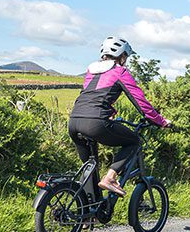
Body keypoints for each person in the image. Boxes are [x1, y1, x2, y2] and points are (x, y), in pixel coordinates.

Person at [68, 37, 171, 196]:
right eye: (126, 57)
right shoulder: (120, 72)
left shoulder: (91, 72)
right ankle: (110, 178)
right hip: (95, 123)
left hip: (74, 121)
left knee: (90, 167)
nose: (126, 60)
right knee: (134, 141)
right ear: (121, 56)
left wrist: (110, 112)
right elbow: (140, 102)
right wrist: (160, 121)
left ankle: (89, 217)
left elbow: (92, 98)